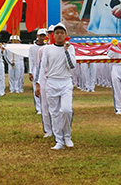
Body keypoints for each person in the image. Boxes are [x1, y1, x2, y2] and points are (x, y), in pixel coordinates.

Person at [35, 22, 77, 150]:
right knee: (54, 113)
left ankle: (67, 136)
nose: (59, 35)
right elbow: (42, 68)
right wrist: (38, 84)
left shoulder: (70, 48)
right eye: (57, 33)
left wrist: (66, 51)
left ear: (65, 35)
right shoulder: (47, 49)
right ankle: (59, 140)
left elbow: (72, 66)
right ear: (53, 35)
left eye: (62, 33)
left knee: (66, 110)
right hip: (51, 82)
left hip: (65, 82)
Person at [29, 29, 47, 114]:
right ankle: (38, 108)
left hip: (45, 69)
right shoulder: (32, 48)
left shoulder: (47, 47)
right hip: (36, 69)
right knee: (36, 88)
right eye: (40, 36)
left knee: (44, 89)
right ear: (37, 36)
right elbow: (31, 60)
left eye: (43, 36)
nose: (42, 38)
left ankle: (44, 107)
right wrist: (30, 71)